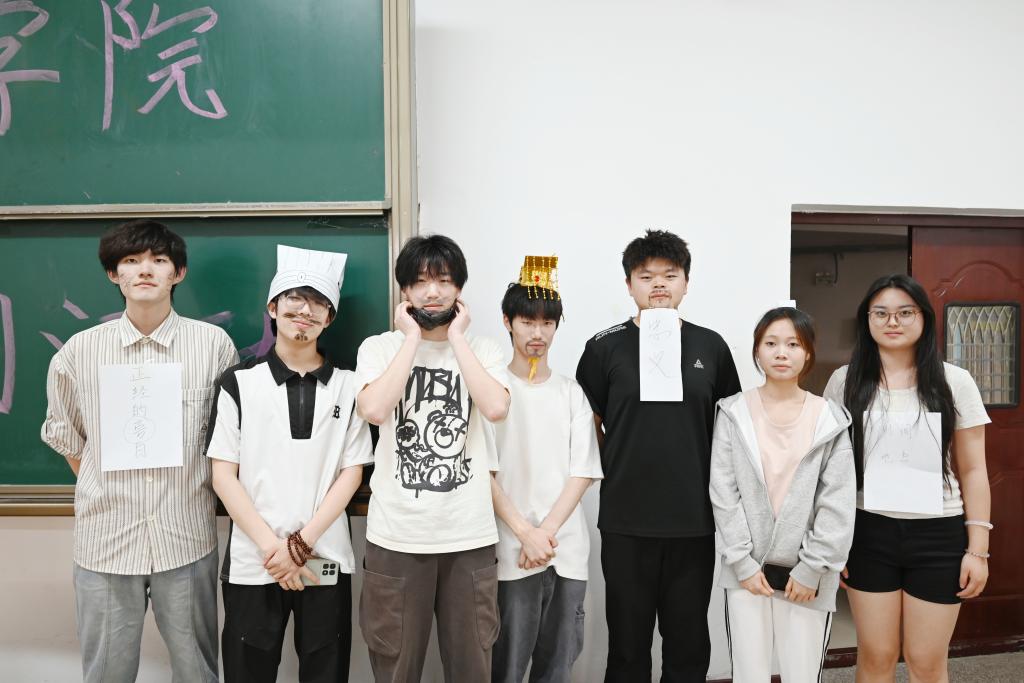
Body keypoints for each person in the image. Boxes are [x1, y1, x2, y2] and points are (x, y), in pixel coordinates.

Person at [41, 219, 237, 683]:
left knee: (197, 672)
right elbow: (68, 438)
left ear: (178, 273)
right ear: (114, 274)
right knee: (106, 673)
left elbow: (227, 438)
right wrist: (107, 487)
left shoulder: (213, 346)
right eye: (131, 261)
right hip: (106, 543)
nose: (145, 270)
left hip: (185, 539)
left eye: (159, 260)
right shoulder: (79, 352)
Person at [575, 229, 741, 682]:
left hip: (694, 519)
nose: (659, 285)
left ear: (686, 282)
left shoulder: (711, 345)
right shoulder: (604, 346)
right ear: (629, 284)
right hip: (626, 519)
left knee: (688, 644)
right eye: (646, 276)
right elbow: (587, 422)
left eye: (670, 275)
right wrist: (618, 463)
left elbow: (729, 428)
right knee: (627, 646)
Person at [207, 245, 373, 682]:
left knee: (326, 671)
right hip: (255, 560)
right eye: (295, 298)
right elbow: (222, 476)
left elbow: (352, 472)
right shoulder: (238, 382)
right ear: (272, 307)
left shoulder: (350, 386)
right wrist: (274, 549)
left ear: (330, 317)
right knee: (247, 672)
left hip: (325, 556)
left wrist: (299, 545)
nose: (305, 310)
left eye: (319, 302)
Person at [354, 234, 511, 682]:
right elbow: (375, 410)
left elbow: (495, 408)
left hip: (469, 536)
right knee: (395, 667)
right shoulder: (379, 348)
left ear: (459, 287)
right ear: (405, 290)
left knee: (472, 668)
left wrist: (456, 338)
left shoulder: (483, 349)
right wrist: (411, 340)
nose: (433, 292)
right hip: (397, 538)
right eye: (420, 281)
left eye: (444, 280)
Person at [824, 274, 991, 683]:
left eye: (904, 312)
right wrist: (831, 542)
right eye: (880, 313)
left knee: (926, 662)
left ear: (923, 318)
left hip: (938, 535)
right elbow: (830, 468)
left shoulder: (955, 381)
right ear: (867, 319)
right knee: (876, 657)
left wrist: (978, 550)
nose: (892, 321)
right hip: (868, 532)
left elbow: (973, 469)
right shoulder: (845, 381)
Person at [710, 307, 855, 683]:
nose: (781, 353)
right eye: (771, 343)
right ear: (757, 351)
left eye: (793, 344)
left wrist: (812, 568)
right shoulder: (732, 412)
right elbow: (723, 492)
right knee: (749, 674)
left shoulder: (830, 418)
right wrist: (742, 563)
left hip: (807, 574)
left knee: (801, 675)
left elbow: (837, 502)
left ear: (808, 353)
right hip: (747, 572)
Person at [490, 258, 604, 683]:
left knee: (558, 665)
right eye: (527, 321)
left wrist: (544, 535)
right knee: (505, 664)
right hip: (510, 551)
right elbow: (483, 473)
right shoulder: (493, 391)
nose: (537, 333)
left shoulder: (571, 393)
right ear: (508, 322)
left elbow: (583, 471)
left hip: (564, 550)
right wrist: (526, 534)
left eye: (547, 323)